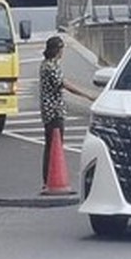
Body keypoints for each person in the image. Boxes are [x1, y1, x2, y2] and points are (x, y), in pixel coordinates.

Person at [38, 35, 96, 188]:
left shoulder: (47, 65)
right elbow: (64, 84)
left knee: (51, 145)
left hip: (49, 110)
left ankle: (48, 179)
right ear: (57, 50)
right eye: (62, 48)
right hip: (54, 111)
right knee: (54, 145)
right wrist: (87, 95)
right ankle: (50, 179)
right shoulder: (50, 67)